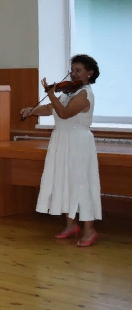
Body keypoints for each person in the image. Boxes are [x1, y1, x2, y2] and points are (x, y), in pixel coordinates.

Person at [21, 54, 101, 247]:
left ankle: (89, 230)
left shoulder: (85, 94)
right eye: (72, 70)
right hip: (62, 140)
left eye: (78, 70)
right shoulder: (68, 92)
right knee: (64, 181)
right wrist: (32, 110)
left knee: (82, 184)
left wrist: (50, 94)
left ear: (89, 73)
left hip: (78, 142)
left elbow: (64, 113)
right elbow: (51, 109)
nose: (73, 74)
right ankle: (71, 225)